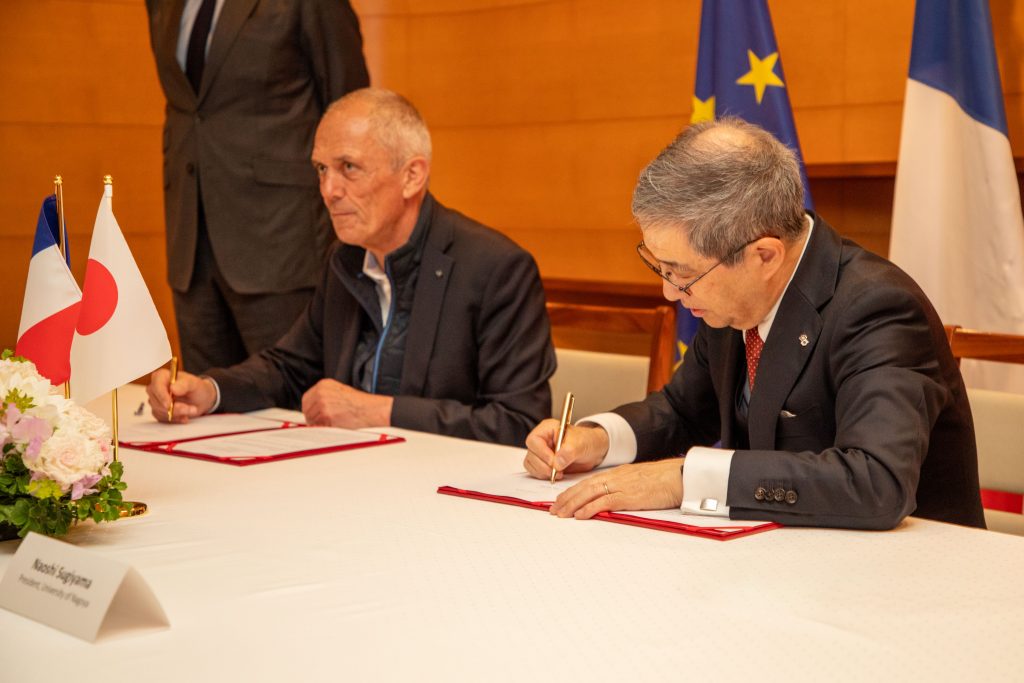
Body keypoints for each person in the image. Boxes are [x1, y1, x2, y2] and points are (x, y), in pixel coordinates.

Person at [523, 117, 985, 530]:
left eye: (682, 272)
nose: (670, 291)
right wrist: (597, 440)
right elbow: (684, 411)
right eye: (660, 267)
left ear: (764, 255)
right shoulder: (730, 293)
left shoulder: (878, 308)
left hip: (909, 581)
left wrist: (686, 479)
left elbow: (875, 482)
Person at [147, 88, 555, 447]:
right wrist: (210, 390)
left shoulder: (495, 268)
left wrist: (380, 412)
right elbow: (288, 367)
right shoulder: (345, 258)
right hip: (349, 475)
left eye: (348, 168)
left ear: (412, 176)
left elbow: (518, 423)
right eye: (322, 169)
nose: (328, 191)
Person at [145, 0, 370, 373]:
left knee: (293, 404)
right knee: (207, 405)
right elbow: (191, 106)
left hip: (282, 237)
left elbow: (351, 110)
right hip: (191, 238)